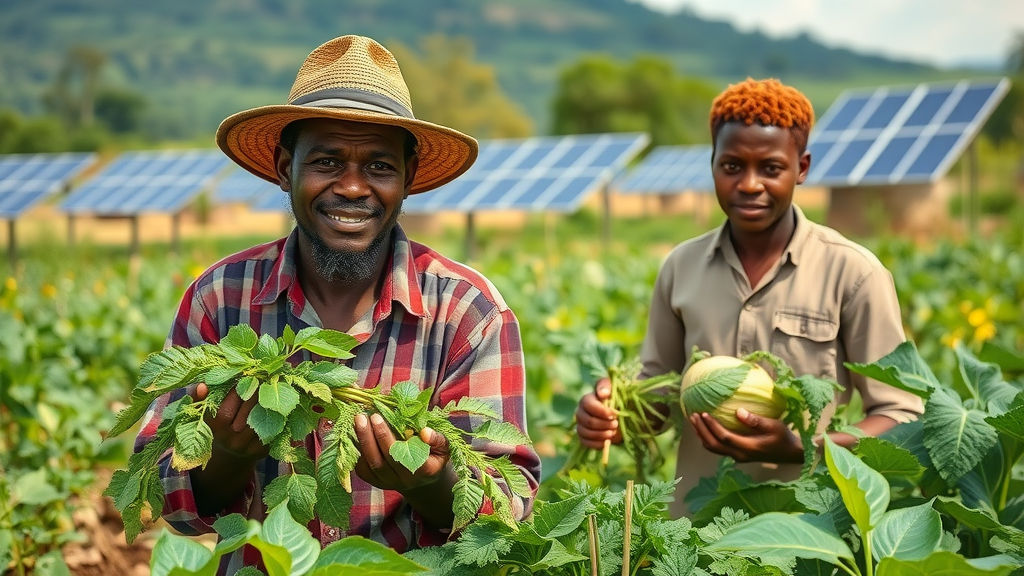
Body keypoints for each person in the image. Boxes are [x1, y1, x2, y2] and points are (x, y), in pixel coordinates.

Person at [135, 35, 540, 571]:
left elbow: (508, 514)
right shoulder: (220, 299)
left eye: (379, 166)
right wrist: (227, 455)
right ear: (285, 168)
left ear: (408, 179)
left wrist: (429, 481)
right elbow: (159, 493)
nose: (351, 187)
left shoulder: (468, 311)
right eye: (326, 161)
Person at [574, 78, 923, 517]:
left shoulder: (854, 274)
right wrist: (613, 414)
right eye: (732, 166)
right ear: (713, 164)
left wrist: (805, 447)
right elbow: (658, 395)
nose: (750, 184)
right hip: (695, 530)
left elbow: (902, 418)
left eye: (771, 168)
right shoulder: (680, 267)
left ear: (802, 168)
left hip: (809, 531)